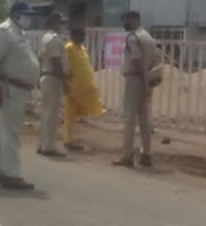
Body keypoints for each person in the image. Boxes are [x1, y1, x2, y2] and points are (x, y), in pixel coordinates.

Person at [0, 2, 40, 191]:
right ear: (15, 15)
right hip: (10, 87)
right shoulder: (4, 32)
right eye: (25, 15)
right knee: (11, 131)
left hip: (18, 87)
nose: (28, 18)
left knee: (4, 130)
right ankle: (11, 174)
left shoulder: (19, 33)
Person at [113, 10, 156, 168]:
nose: (124, 23)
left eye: (126, 20)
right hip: (147, 81)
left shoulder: (133, 37)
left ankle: (127, 156)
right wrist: (148, 78)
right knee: (145, 119)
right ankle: (146, 155)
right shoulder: (148, 37)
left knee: (130, 118)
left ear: (133, 20)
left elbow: (136, 58)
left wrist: (143, 76)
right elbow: (153, 60)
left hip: (135, 78)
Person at [63, 24, 105, 151]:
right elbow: (65, 66)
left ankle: (70, 139)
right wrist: (65, 82)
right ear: (72, 35)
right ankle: (69, 140)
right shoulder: (68, 48)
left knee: (75, 113)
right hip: (73, 86)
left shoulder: (82, 48)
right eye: (79, 35)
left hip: (84, 86)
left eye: (83, 35)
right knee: (70, 114)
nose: (82, 37)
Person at [37, 12, 68, 157]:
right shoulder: (55, 40)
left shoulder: (45, 38)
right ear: (53, 23)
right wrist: (64, 81)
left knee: (45, 113)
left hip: (45, 76)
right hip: (53, 78)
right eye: (60, 22)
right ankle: (48, 147)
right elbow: (56, 63)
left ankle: (42, 144)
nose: (62, 25)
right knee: (52, 115)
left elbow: (40, 58)